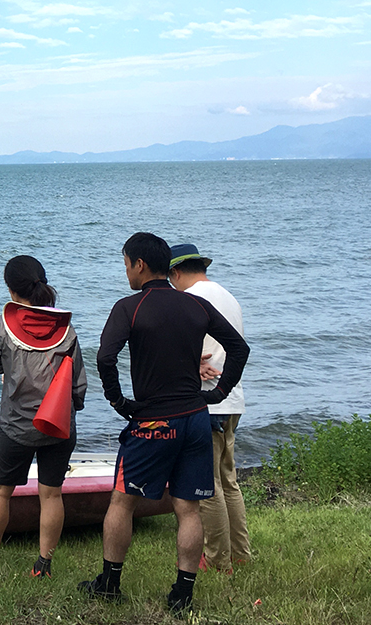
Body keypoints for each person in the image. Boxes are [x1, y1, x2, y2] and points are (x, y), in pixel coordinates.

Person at [79, 232, 250, 614]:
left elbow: (106, 357)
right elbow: (239, 347)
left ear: (139, 265)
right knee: (188, 508)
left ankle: (109, 583)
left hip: (153, 421)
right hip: (194, 419)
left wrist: (119, 401)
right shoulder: (195, 306)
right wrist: (218, 393)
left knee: (122, 501)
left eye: (125, 264)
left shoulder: (129, 307)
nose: (125, 271)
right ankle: (182, 594)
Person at [0, 255, 87, 580]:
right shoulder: (66, 328)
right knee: (52, 494)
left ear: (10, 289)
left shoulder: (2, 326)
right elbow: (78, 382)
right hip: (59, 427)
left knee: (1, 492)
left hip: (16, 427)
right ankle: (43, 567)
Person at [168, 242, 250, 574]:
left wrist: (187, 364)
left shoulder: (190, 300)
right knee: (228, 480)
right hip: (232, 399)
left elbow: (186, 351)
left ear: (174, 272)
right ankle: (240, 553)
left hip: (207, 401)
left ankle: (218, 560)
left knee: (208, 486)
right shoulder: (226, 295)